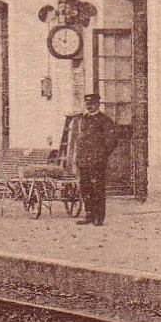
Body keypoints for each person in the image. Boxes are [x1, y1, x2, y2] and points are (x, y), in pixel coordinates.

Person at [66, 92, 124, 225]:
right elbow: (78, 139)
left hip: (97, 161)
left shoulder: (104, 120)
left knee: (97, 189)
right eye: (87, 104)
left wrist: (102, 154)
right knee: (85, 188)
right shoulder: (82, 119)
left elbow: (112, 140)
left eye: (92, 104)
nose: (89, 106)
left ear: (98, 104)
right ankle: (89, 214)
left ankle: (99, 217)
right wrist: (77, 157)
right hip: (83, 160)